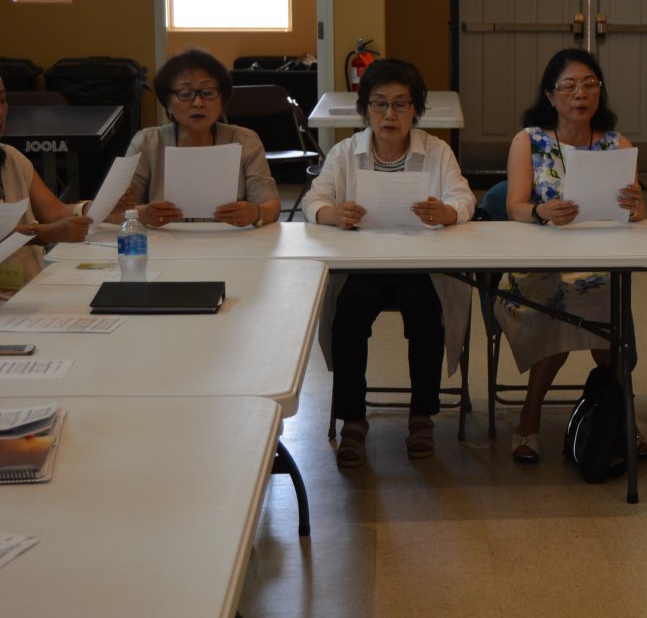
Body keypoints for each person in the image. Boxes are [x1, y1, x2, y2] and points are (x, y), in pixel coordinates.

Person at [302, 58, 475, 468]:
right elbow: (313, 198)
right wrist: (331, 213)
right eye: (379, 104)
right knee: (348, 315)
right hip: (365, 263)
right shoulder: (346, 152)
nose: (390, 115)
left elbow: (464, 198)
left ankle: (422, 417)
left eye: (401, 104)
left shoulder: (437, 151)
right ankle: (353, 419)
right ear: (366, 109)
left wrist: (447, 212)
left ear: (416, 109)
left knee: (426, 314)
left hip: (420, 263)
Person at [496, 48, 647, 463]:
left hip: (598, 263)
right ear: (550, 94)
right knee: (561, 302)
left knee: (601, 299)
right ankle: (529, 416)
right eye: (569, 85)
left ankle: (621, 416)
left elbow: (634, 214)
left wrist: (635, 207)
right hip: (538, 267)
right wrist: (541, 212)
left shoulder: (617, 144)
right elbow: (514, 206)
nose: (580, 94)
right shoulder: (529, 141)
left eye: (589, 84)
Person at [0, 75, 134, 302]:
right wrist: (46, 233)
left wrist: (100, 207)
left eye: (2, 100)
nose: (0, 111)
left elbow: (54, 211)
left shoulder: (12, 158)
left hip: (27, 291)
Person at [121, 48, 280, 228]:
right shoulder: (147, 142)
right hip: (163, 241)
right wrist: (143, 214)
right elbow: (116, 209)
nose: (198, 103)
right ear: (167, 104)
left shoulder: (245, 140)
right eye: (185, 94)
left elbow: (271, 205)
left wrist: (256, 213)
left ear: (222, 101)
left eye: (208, 93)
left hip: (229, 240)